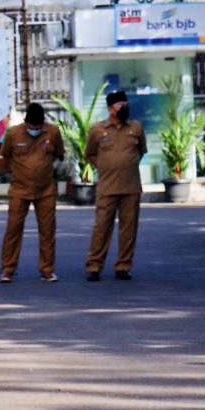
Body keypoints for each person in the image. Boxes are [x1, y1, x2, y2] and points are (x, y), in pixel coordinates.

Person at [0, 103, 65, 283]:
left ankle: (47, 270)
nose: (35, 129)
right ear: (26, 122)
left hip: (46, 190)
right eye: (32, 127)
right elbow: (7, 156)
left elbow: (58, 153)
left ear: (43, 122)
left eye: (38, 126)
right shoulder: (13, 133)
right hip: (19, 189)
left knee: (48, 230)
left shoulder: (53, 132)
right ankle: (7, 269)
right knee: (13, 229)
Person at [84, 89, 147, 281]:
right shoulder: (98, 130)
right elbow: (92, 154)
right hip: (107, 187)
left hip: (131, 187)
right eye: (121, 105)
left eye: (126, 105)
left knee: (128, 229)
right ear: (111, 109)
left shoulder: (136, 127)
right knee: (101, 227)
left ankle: (123, 266)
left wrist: (125, 164)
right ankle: (94, 266)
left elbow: (140, 151)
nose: (125, 108)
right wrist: (106, 167)